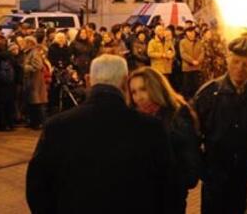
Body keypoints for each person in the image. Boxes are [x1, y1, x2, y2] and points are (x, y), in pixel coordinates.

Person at [26, 55, 175, 213]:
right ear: (125, 82)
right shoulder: (150, 127)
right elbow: (169, 188)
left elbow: (37, 187)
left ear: (89, 80)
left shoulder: (57, 127)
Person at [193, 37, 247, 214]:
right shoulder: (209, 94)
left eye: (246, 64)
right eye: (235, 62)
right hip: (217, 178)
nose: (240, 68)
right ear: (227, 59)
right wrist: (204, 168)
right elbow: (192, 135)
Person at [128, 67, 201, 214]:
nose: (139, 97)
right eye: (134, 92)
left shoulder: (177, 116)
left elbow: (189, 167)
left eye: (143, 89)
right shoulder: (135, 119)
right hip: (143, 198)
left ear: (156, 87)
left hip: (169, 198)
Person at [22, 36, 48, 130]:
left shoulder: (34, 53)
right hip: (31, 81)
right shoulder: (28, 53)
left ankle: (39, 122)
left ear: (30, 43)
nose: (23, 44)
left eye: (25, 42)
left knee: (37, 103)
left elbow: (38, 66)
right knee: (32, 103)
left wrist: (25, 67)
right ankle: (33, 122)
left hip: (35, 81)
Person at [180, 26, 205, 100]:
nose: (191, 34)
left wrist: (198, 61)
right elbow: (183, 54)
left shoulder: (199, 41)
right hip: (187, 68)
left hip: (197, 67)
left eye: (192, 32)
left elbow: (202, 52)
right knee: (187, 85)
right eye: (189, 32)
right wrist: (192, 61)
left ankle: (196, 99)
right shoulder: (183, 42)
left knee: (196, 85)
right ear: (186, 33)